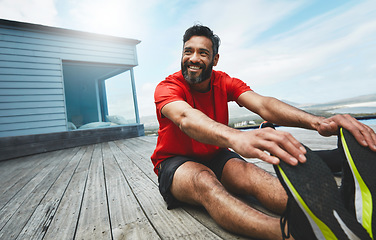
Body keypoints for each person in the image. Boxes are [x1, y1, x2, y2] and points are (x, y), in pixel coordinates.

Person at [151, 24, 376, 240]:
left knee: (250, 173)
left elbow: (263, 105)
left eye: (203, 53)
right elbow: (185, 118)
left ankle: (340, 214)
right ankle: (297, 234)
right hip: (175, 161)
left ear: (214, 59)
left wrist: (318, 123)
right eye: (188, 51)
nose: (193, 58)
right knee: (204, 180)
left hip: (215, 154)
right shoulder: (167, 87)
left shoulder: (224, 81)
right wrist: (236, 137)